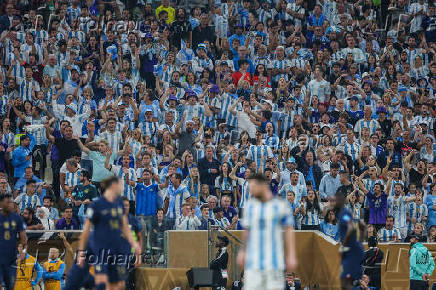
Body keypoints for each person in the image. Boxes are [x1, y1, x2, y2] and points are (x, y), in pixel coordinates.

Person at [78, 176, 141, 290]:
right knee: (102, 282)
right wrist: (82, 251)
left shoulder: (119, 204)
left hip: (118, 250)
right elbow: (86, 230)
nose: (122, 188)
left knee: (120, 284)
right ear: (113, 186)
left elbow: (125, 227)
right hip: (101, 250)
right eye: (120, 185)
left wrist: (135, 245)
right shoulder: (96, 205)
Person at [237, 173, 297, 290]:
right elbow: (247, 231)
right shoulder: (250, 206)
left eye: (253, 187)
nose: (251, 190)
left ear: (263, 186)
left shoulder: (280, 205)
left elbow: (289, 230)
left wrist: (291, 255)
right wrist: (243, 251)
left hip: (274, 263)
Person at [335, 190, 365, 290]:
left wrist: (344, 244)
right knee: (350, 281)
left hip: (352, 251)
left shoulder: (344, 213)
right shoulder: (346, 213)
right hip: (354, 250)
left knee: (345, 282)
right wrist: (360, 241)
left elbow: (351, 228)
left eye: (338, 200)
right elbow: (362, 225)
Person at [0, 194, 27, 290]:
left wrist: (23, 252)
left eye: (11, 202)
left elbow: (23, 238)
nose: (10, 205)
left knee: (10, 287)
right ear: (1, 203)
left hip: (11, 259)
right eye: (7, 202)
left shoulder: (17, 218)